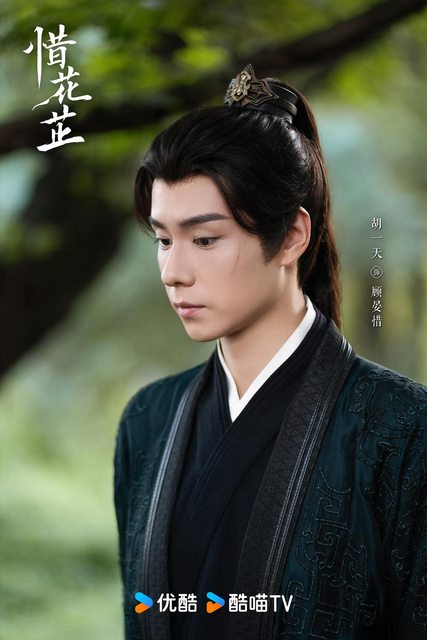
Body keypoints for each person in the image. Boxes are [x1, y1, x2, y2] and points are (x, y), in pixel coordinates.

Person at [113, 64, 427, 640]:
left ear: (291, 236)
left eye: (205, 239)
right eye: (163, 239)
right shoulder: (147, 421)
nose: (173, 271)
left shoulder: (401, 427)